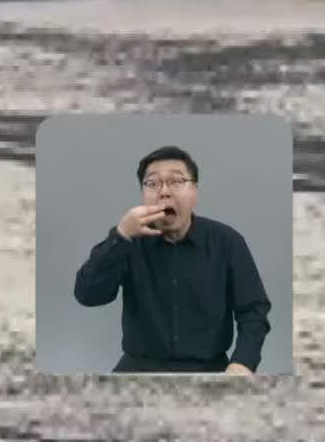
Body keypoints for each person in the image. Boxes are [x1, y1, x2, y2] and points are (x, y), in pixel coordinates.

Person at [72, 144, 271, 374]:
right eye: (153, 184)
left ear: (195, 191)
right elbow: (88, 295)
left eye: (176, 182)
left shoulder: (226, 241)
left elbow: (254, 311)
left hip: (209, 369)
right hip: (139, 368)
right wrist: (120, 235)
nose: (164, 191)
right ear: (143, 194)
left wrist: (243, 362)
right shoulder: (128, 240)